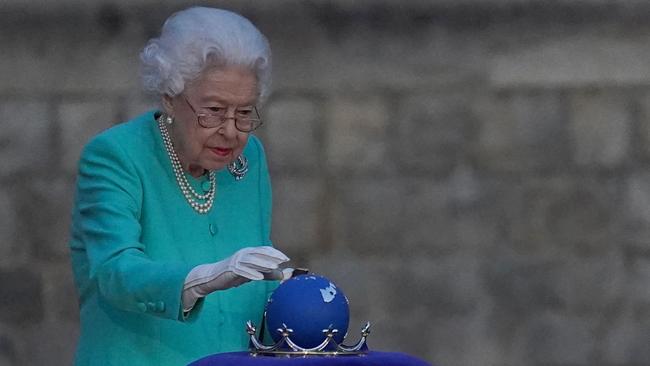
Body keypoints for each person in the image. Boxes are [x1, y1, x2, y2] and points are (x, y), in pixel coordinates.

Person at [68, 7, 291, 365]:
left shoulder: (251, 159)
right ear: (169, 96)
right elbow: (115, 271)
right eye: (214, 111)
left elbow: (258, 281)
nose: (231, 131)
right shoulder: (116, 156)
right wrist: (204, 279)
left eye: (245, 112)